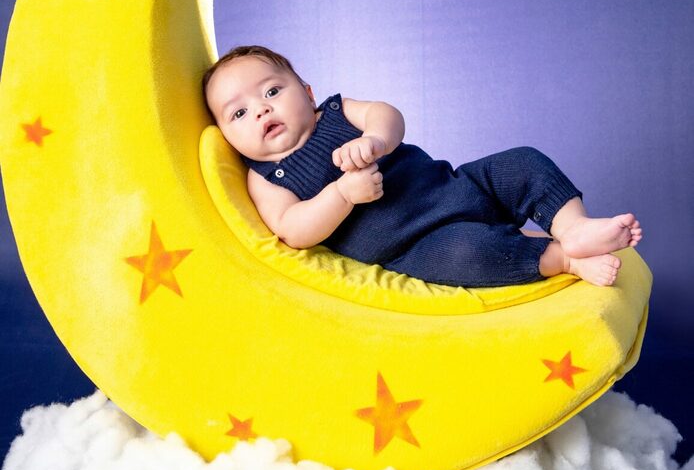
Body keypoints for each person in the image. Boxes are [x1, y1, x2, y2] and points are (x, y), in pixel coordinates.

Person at [202, 45, 642, 288]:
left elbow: (388, 114)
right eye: (238, 113)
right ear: (226, 136)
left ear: (307, 91)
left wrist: (376, 139)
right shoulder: (266, 179)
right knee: (471, 256)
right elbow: (292, 229)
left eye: (272, 91)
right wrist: (341, 194)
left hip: (456, 185)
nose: (260, 110)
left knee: (522, 162)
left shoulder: (335, 113)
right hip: (418, 245)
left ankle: (573, 226)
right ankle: (565, 258)